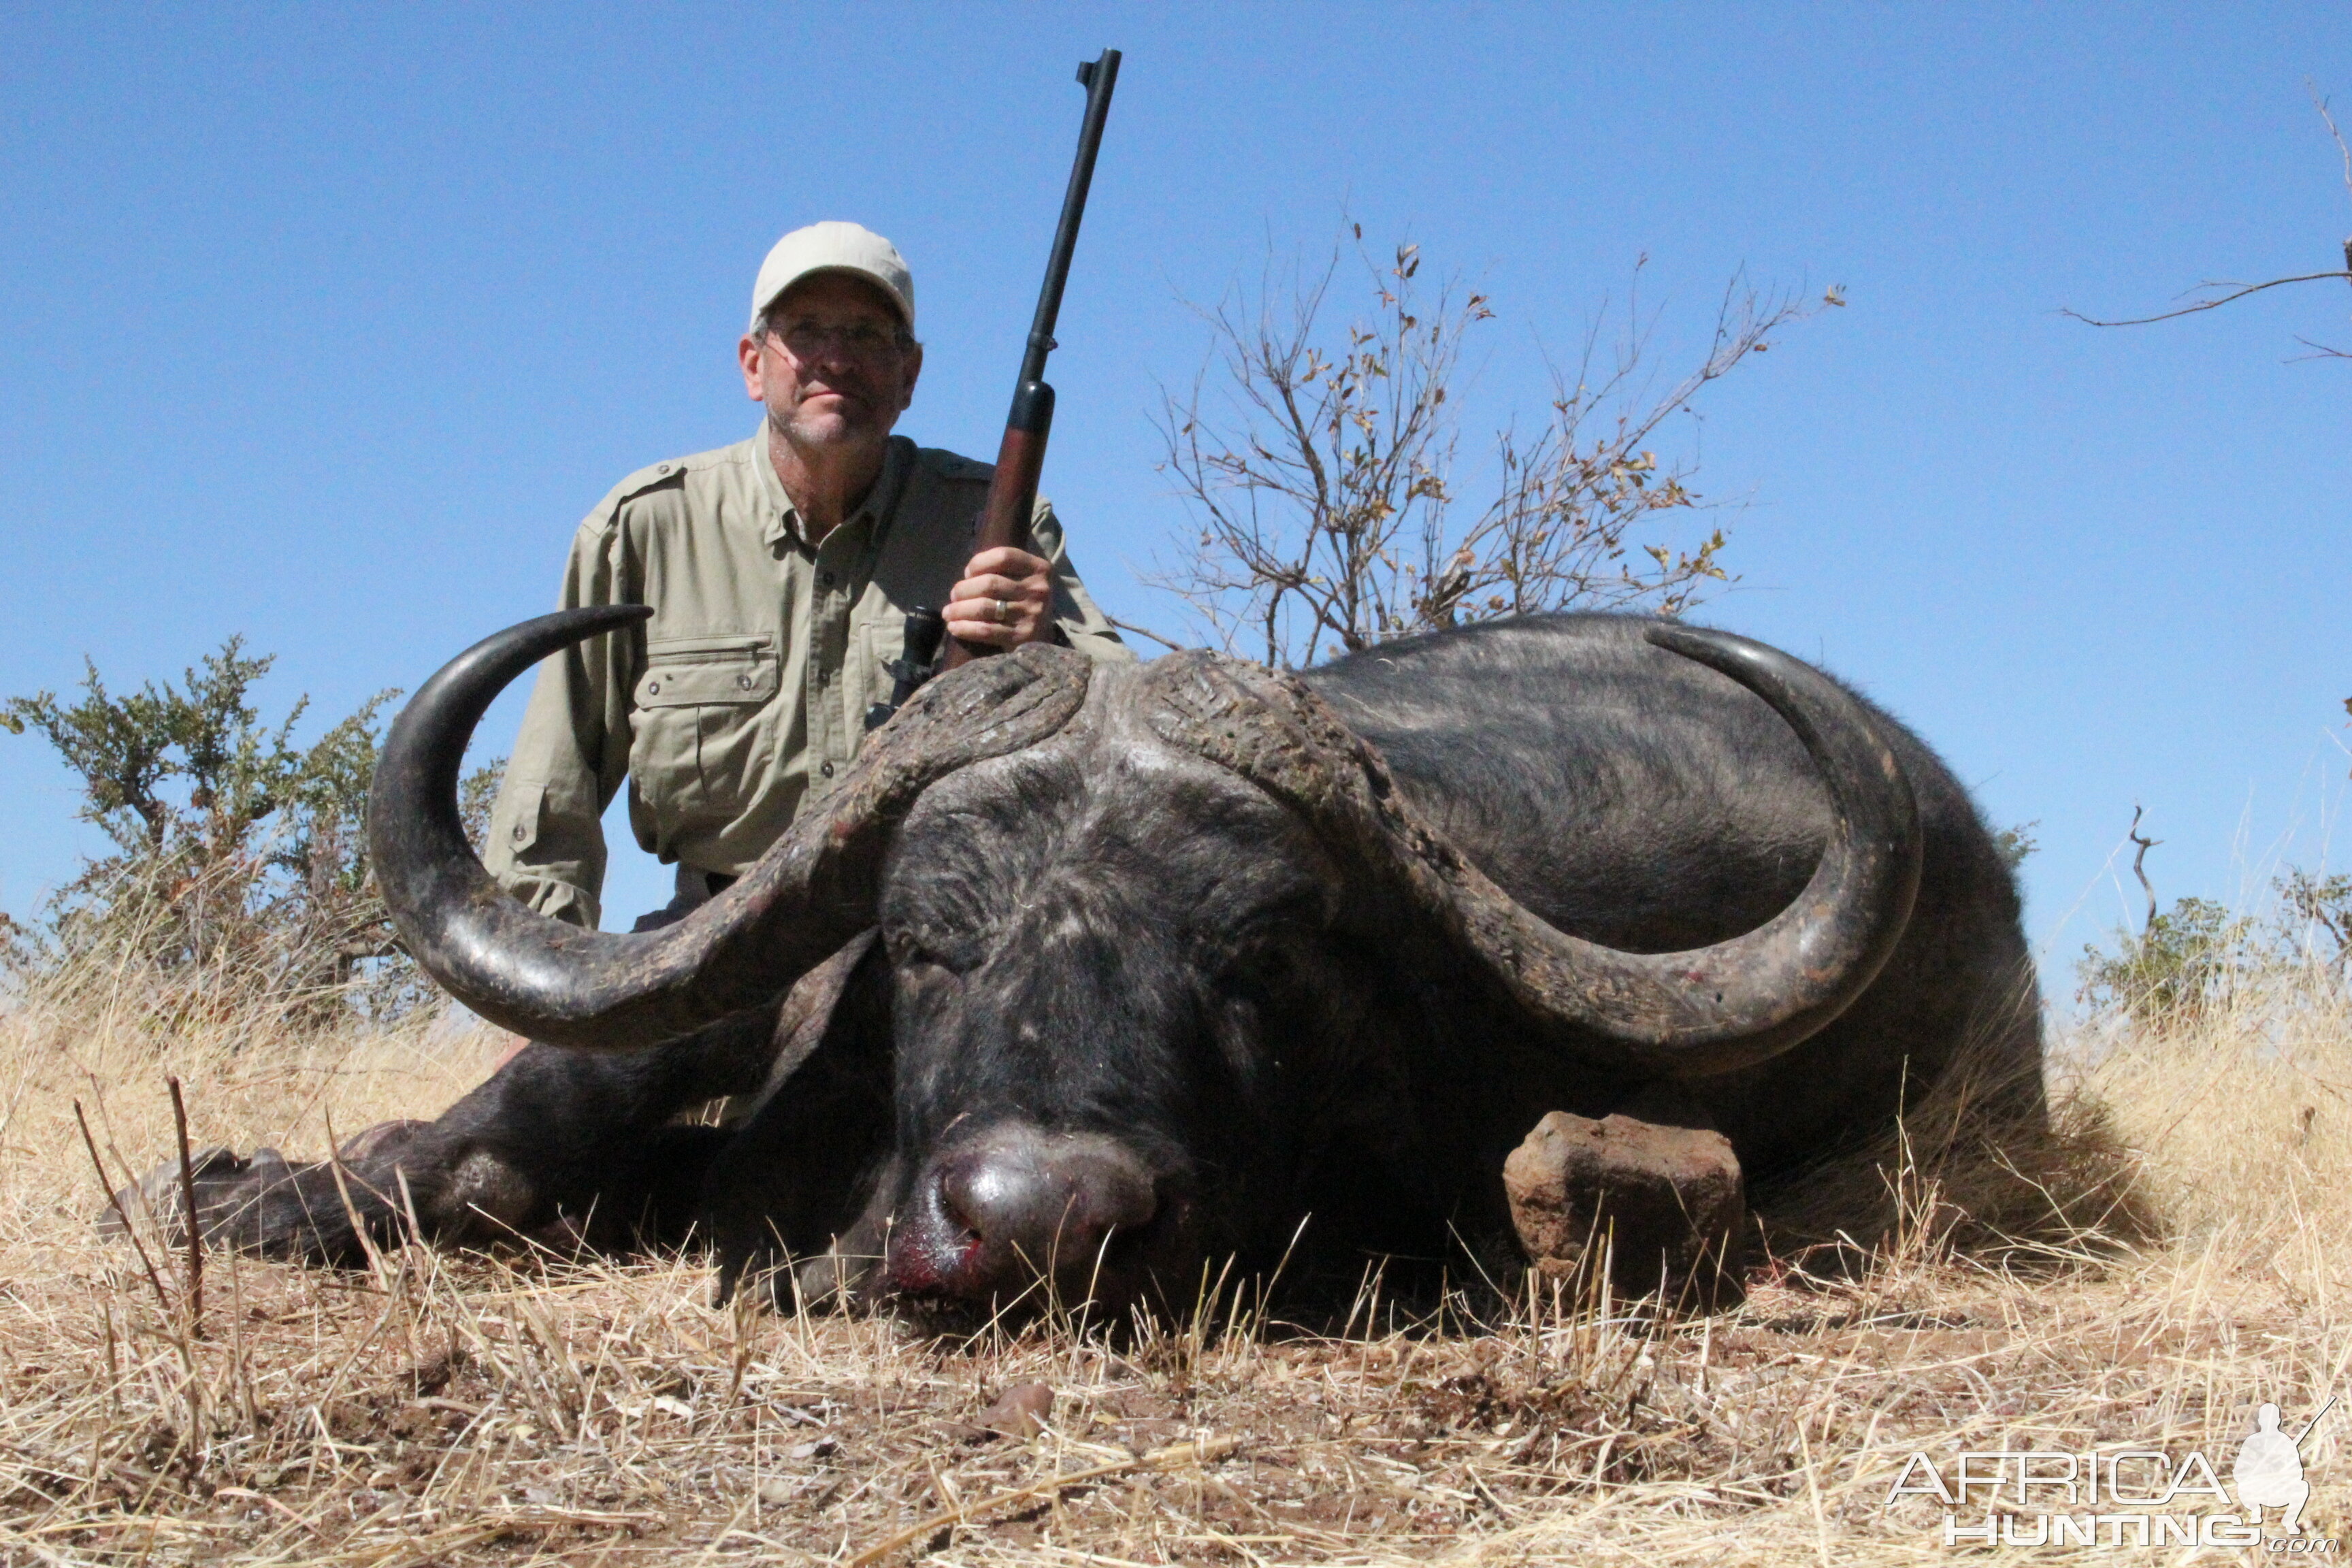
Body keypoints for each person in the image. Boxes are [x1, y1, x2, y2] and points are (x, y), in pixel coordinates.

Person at [483, 222, 1133, 933]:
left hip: (949, 935)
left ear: (909, 374)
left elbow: (1133, 740)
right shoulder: (644, 528)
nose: (835, 358)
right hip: (714, 943)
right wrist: (548, 984)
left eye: (865, 335)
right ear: (754, 365)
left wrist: (1048, 652)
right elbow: (549, 804)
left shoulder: (1005, 525)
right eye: (806, 331)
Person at [2233, 1402, 2310, 1535]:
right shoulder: (2251, 1443)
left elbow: (2297, 1472)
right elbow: (2239, 1473)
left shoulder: (2285, 1442)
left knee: (2303, 1487)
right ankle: (2255, 1513)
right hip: (2258, 1490)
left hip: (2281, 1489)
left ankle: (2290, 1520)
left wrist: (2283, 1469)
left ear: (2279, 1421)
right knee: (2243, 1488)